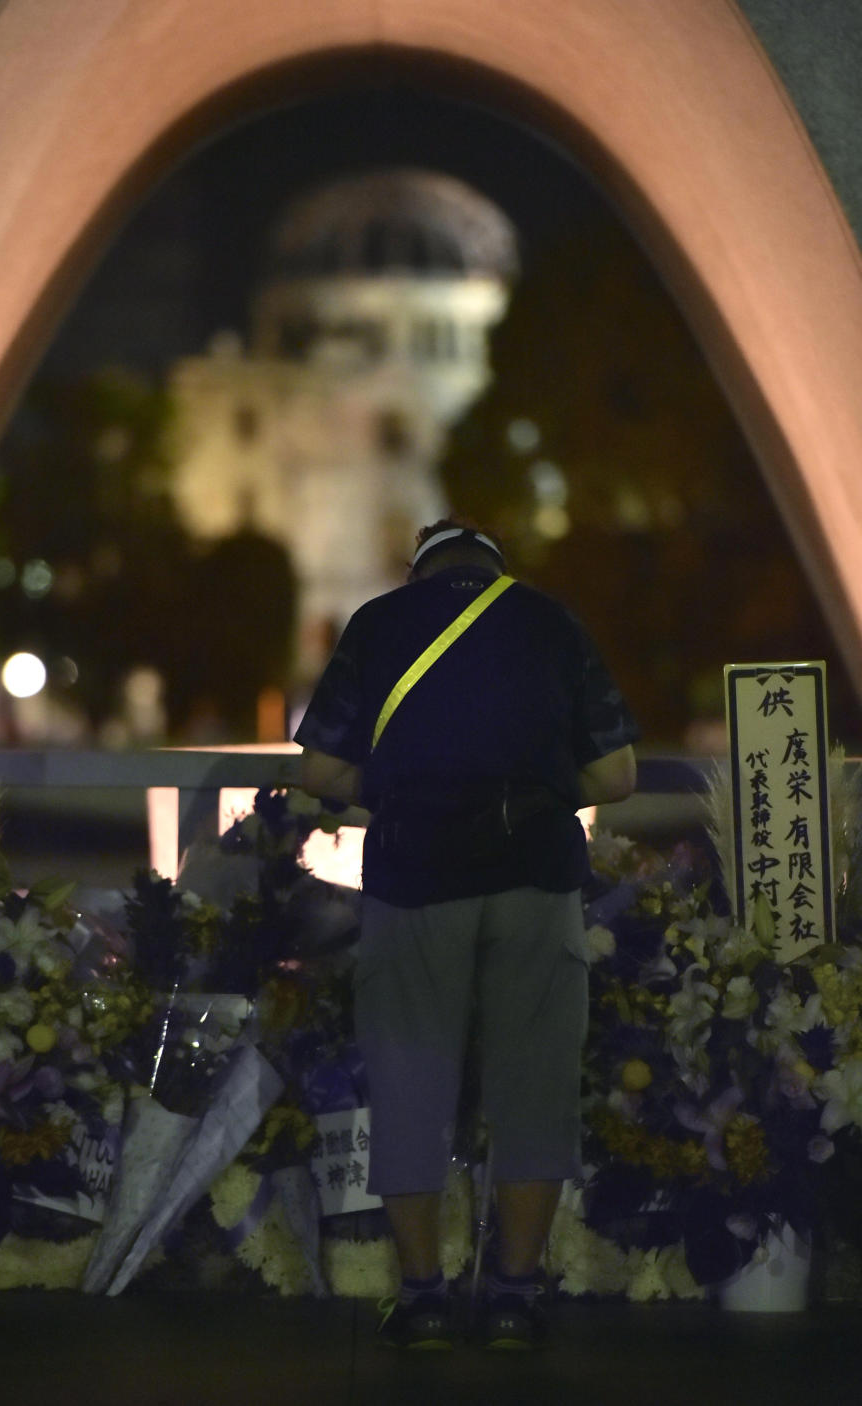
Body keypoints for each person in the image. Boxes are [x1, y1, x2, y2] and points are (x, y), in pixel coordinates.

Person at [293, 519, 639, 1349]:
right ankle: (515, 1296)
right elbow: (617, 774)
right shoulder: (551, 620)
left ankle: (423, 1300)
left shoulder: (380, 622)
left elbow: (323, 774)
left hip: (415, 879)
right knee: (535, 1089)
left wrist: (415, 792)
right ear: (494, 568)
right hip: (536, 880)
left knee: (410, 1081)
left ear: (421, 570)